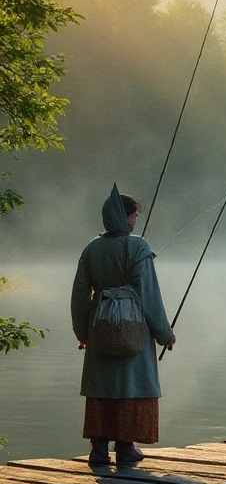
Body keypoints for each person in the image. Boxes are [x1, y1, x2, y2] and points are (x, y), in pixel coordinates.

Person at [70, 185, 176, 465]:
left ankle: (98, 449)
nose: (134, 222)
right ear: (123, 217)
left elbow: (79, 296)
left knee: (102, 384)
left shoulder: (91, 249)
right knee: (131, 383)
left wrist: (83, 333)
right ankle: (126, 448)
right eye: (133, 216)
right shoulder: (139, 246)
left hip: (99, 328)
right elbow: (149, 294)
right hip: (133, 331)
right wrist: (165, 333)